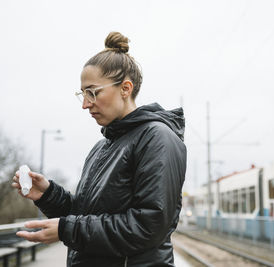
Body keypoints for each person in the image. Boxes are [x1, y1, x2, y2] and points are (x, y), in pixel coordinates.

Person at [12, 32, 187, 267]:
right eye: (82, 94)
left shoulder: (157, 138)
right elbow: (85, 216)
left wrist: (67, 230)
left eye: (92, 92)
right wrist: (48, 195)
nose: (85, 104)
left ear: (125, 88)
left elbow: (149, 227)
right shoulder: (102, 147)